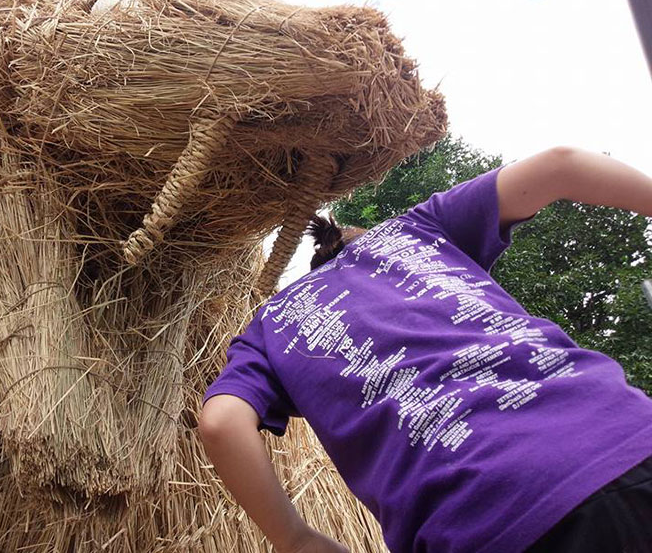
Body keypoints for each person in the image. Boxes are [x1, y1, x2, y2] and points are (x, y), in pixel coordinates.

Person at [198, 146, 652, 553]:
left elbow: (220, 422)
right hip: (625, 437)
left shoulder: (270, 325)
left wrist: (295, 539)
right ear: (363, 237)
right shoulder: (417, 229)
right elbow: (562, 164)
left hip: (480, 522)